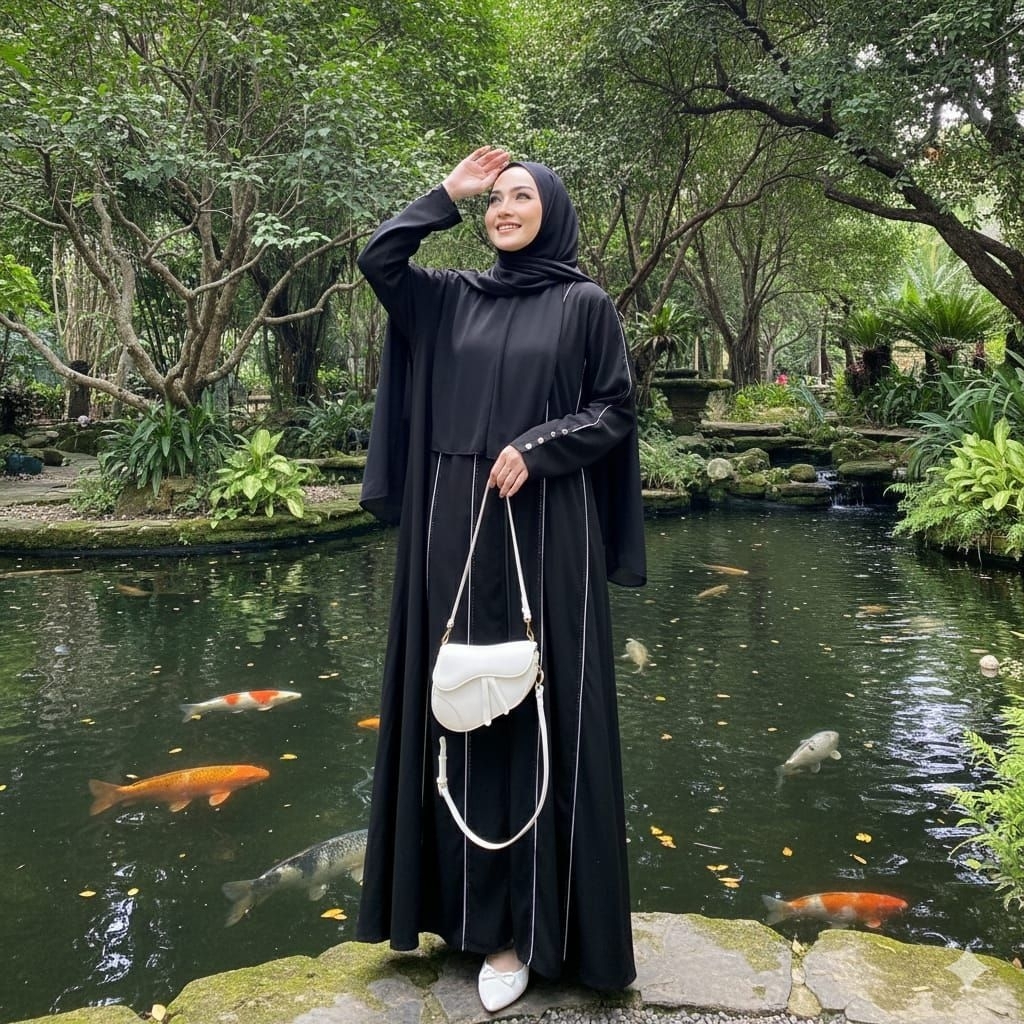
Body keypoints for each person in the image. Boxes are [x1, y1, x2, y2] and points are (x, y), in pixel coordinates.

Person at [355, 146, 646, 1013]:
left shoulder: (584, 304)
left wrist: (539, 446)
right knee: (460, 706)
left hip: (547, 531)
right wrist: (445, 193)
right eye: (495, 200)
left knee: (539, 716)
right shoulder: (449, 297)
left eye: (523, 197)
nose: (505, 209)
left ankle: (534, 930)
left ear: (552, 211)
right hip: (453, 530)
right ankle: (466, 920)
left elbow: (613, 409)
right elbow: (379, 259)